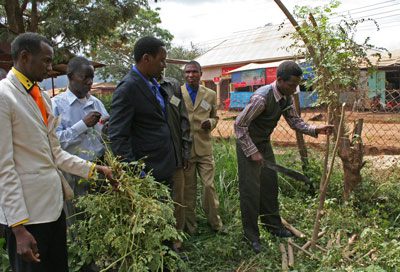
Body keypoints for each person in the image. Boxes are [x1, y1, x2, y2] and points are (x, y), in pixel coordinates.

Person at [0, 32, 113, 272]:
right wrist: (18, 227)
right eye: (46, 60)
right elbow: (3, 167)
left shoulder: (40, 96)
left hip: (53, 208)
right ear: (24, 57)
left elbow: (55, 153)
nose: (51, 67)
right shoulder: (4, 96)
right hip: (28, 217)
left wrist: (95, 169)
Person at [234, 60, 333, 254]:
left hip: (263, 144)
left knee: (270, 185)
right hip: (247, 145)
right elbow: (239, 125)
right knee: (251, 191)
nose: (295, 89)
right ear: (279, 80)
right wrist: (252, 151)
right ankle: (251, 236)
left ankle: (273, 226)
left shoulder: (286, 96)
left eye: (297, 85)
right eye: (292, 85)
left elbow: (295, 121)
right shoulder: (261, 98)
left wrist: (315, 129)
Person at [108, 36, 175, 185]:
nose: (164, 65)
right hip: (148, 174)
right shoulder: (128, 88)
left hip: (164, 167)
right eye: (161, 60)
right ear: (146, 58)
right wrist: (136, 173)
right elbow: (117, 136)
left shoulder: (153, 83)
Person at [52, 56, 109, 225]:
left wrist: (108, 129)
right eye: (84, 77)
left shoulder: (96, 103)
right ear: (70, 76)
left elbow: (104, 137)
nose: (90, 82)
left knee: (98, 218)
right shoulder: (57, 105)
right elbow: (54, 142)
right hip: (72, 172)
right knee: (76, 219)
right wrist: (82, 125)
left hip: (98, 168)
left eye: (91, 77)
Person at [181, 60, 224, 234]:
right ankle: (190, 227)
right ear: (184, 75)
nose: (190, 75)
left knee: (208, 186)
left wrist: (211, 122)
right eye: (187, 72)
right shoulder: (177, 93)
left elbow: (215, 117)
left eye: (194, 72)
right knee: (188, 190)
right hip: (186, 150)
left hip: (204, 148)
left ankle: (215, 224)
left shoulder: (210, 94)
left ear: (201, 74)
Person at [159, 76, 191, 252]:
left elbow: (183, 120)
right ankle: (160, 242)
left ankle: (176, 241)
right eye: (160, 59)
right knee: (158, 200)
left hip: (175, 155)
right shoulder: (140, 87)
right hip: (154, 158)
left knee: (178, 199)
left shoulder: (172, 86)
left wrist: (186, 150)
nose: (163, 64)